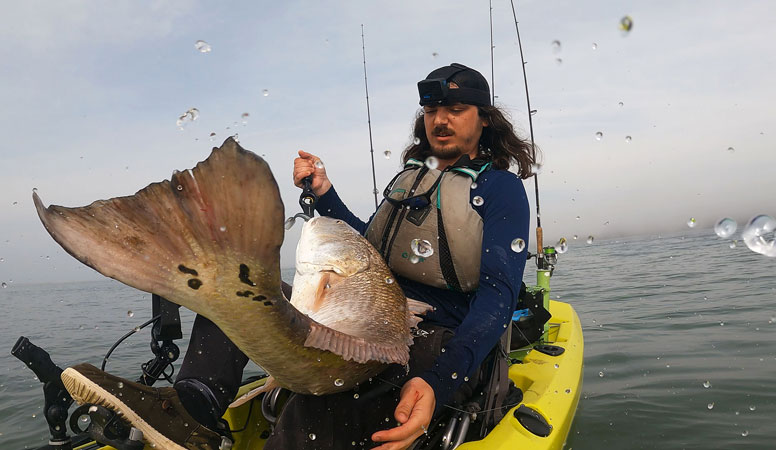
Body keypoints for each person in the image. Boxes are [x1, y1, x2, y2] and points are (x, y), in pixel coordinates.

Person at [62, 63, 536, 450]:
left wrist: (438, 381)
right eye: (433, 108)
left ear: (484, 118)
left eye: (456, 109)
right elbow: (368, 245)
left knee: (327, 400)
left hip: (437, 331)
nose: (441, 120)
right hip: (368, 310)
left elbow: (498, 296)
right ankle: (194, 409)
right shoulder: (409, 179)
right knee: (238, 293)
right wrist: (325, 194)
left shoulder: (500, 191)